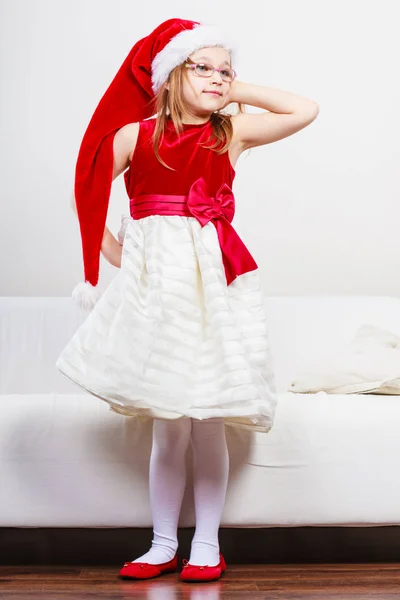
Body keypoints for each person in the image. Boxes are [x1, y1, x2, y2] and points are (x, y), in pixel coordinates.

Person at [56, 17, 319, 583]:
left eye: (227, 69)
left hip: (213, 286)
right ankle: (159, 543)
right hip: (160, 292)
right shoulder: (135, 136)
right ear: (173, 73)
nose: (218, 78)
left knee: (207, 417)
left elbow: (304, 109)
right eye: (204, 67)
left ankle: (205, 543)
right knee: (169, 422)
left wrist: (235, 90)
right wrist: (119, 259)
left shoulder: (231, 133)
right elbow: (90, 193)